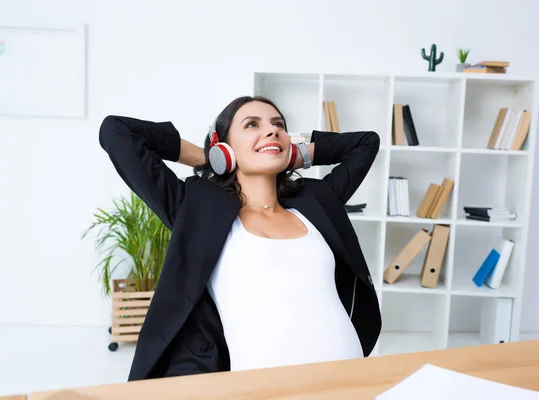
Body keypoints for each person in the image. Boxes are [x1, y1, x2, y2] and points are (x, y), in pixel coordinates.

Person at [98, 95, 382, 381]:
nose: (272, 130)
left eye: (278, 125)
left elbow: (365, 143)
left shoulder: (317, 202)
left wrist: (291, 154)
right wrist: (209, 157)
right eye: (252, 125)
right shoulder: (197, 209)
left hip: (351, 377)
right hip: (259, 387)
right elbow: (116, 131)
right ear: (224, 146)